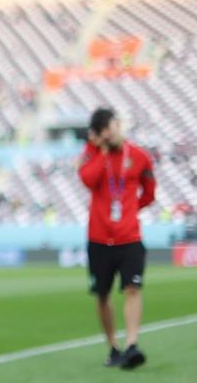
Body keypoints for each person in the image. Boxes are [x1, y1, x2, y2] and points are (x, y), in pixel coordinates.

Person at [79, 107, 156, 370]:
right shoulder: (91, 153)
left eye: (113, 128)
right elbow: (88, 180)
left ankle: (132, 344)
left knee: (132, 288)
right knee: (102, 294)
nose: (111, 134)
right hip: (99, 238)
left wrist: (131, 210)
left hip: (129, 237)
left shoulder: (139, 156)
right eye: (105, 131)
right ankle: (113, 347)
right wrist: (100, 152)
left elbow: (150, 192)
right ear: (98, 134)